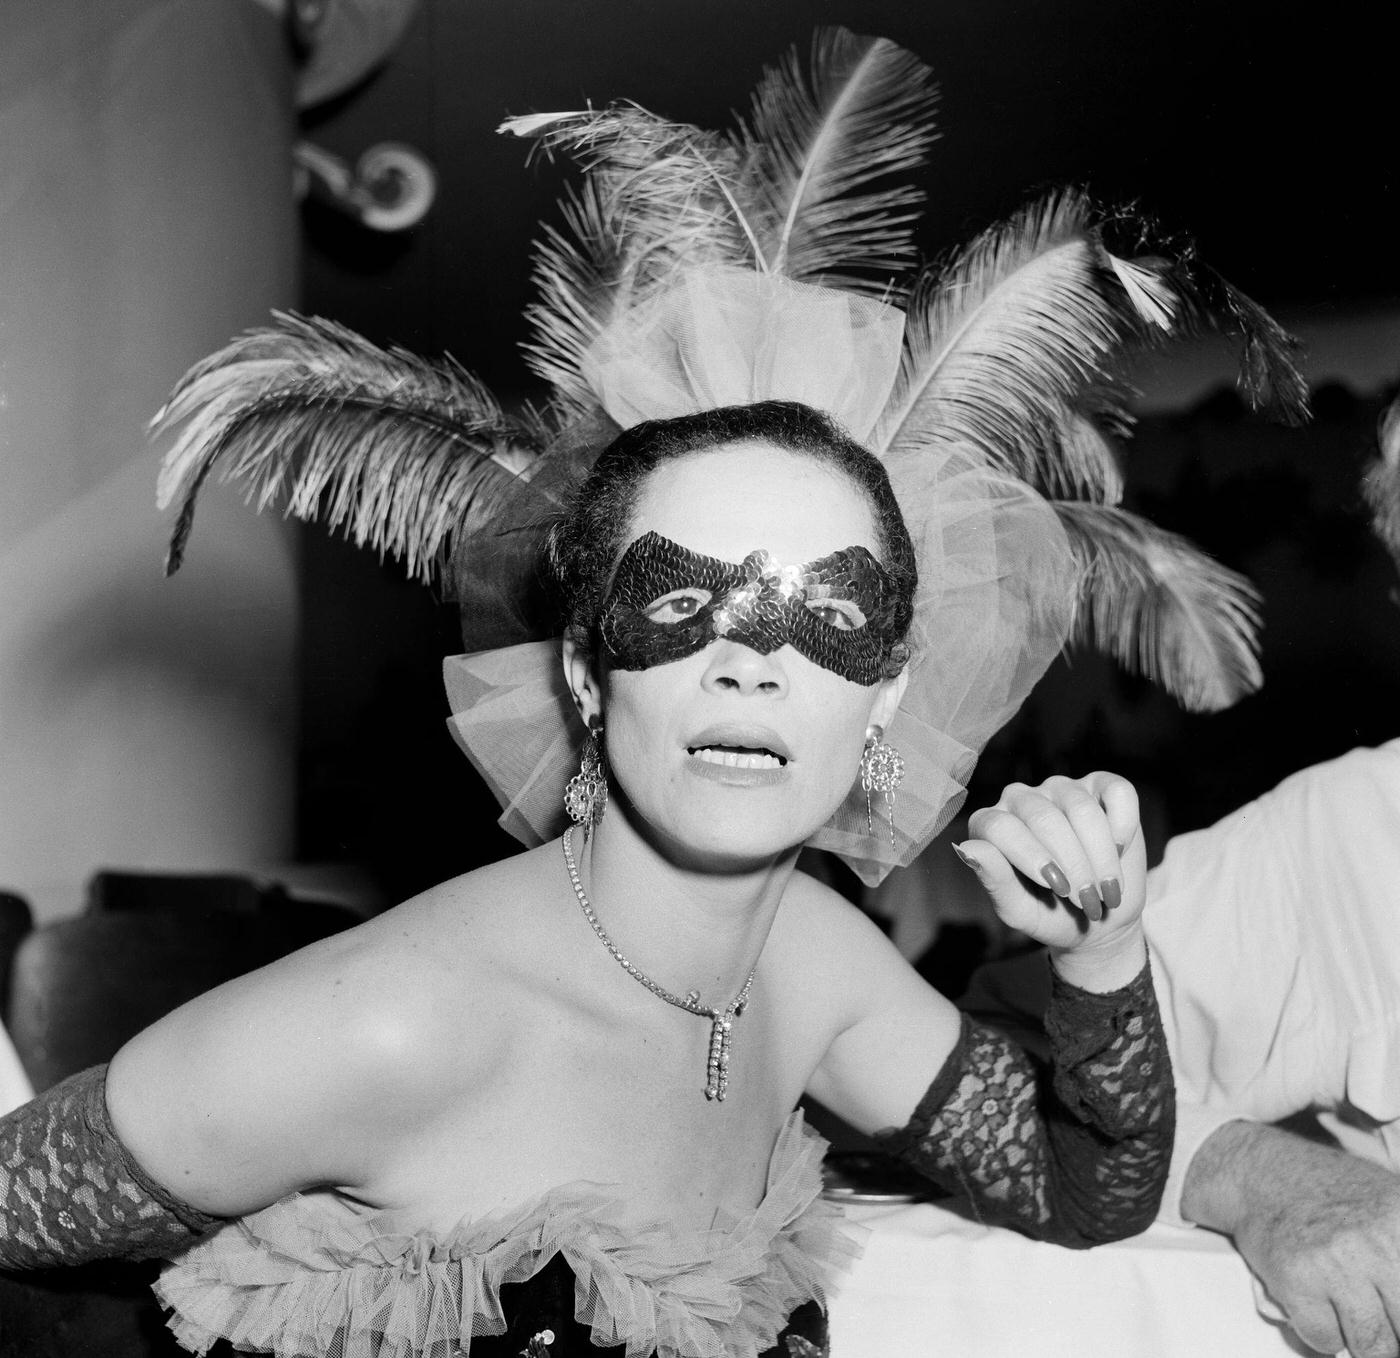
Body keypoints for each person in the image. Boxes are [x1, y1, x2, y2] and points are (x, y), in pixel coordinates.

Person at [3, 27, 1302, 1356]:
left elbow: (1080, 1189)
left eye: (828, 615)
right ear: (586, 663)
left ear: (884, 696)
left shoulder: (816, 963)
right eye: (680, 602)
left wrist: (1101, 952)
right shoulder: (395, 1022)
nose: (751, 657)